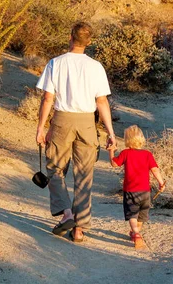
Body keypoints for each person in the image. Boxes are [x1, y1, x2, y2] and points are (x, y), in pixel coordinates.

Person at [36, 22, 115, 243]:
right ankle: (79, 230)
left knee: (55, 168)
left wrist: (41, 127)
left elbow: (48, 99)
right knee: (84, 175)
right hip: (87, 123)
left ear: (70, 37)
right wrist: (110, 132)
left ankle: (67, 214)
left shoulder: (55, 63)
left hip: (62, 120)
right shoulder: (96, 67)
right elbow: (102, 102)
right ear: (89, 42)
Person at [109, 124, 165, 249]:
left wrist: (111, 151)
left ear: (127, 140)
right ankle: (136, 232)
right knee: (141, 215)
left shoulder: (126, 153)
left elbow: (114, 163)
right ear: (141, 139)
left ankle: (136, 233)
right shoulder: (147, 154)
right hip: (145, 191)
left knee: (132, 214)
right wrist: (161, 183)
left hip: (130, 190)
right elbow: (155, 170)